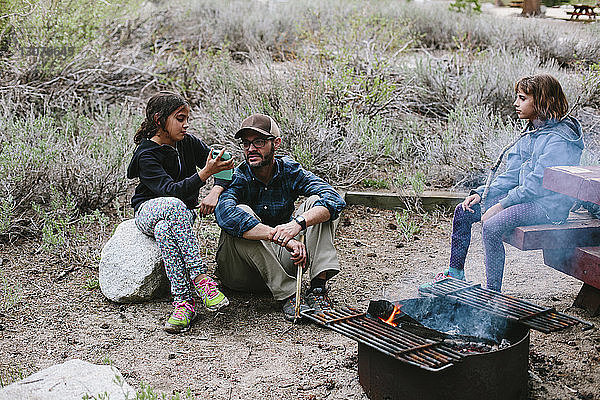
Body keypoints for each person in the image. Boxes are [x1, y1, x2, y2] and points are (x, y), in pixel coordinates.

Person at [421, 74, 584, 292]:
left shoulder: (559, 140)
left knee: (492, 225)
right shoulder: (531, 131)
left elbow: (536, 184)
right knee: (465, 210)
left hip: (548, 207)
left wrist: (501, 205)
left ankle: (492, 293)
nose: (516, 104)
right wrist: (482, 193)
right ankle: (455, 274)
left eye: (523, 98)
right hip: (526, 199)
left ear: (543, 100)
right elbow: (512, 174)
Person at [214, 114, 346, 320]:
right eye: (246, 143)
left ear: (276, 143)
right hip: (240, 272)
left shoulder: (289, 170)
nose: (251, 149)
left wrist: (298, 224)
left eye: (258, 142)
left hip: (280, 262)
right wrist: (280, 237)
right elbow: (226, 215)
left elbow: (334, 199)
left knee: (315, 205)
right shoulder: (237, 177)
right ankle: (290, 295)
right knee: (242, 214)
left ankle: (318, 289)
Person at [127, 91, 234, 333]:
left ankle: (184, 304)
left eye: (187, 118)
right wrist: (205, 173)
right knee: (175, 205)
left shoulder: (187, 143)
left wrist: (215, 190)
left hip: (177, 217)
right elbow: (170, 191)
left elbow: (225, 166)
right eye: (179, 118)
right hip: (147, 211)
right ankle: (200, 279)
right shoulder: (146, 155)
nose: (185, 125)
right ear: (159, 120)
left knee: (165, 230)